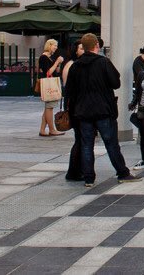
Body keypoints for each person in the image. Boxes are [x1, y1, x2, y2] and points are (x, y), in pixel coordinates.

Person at [66, 33, 140, 188]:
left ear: (83, 47)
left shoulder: (76, 66)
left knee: (87, 144)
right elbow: (115, 83)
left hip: (82, 111)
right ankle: (122, 173)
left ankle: (89, 178)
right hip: (103, 110)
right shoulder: (103, 63)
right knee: (111, 143)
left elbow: (70, 91)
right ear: (96, 46)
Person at [62, 40, 85, 181]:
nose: (83, 50)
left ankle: (76, 169)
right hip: (75, 105)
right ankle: (74, 171)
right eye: (81, 48)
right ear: (75, 50)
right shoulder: (72, 65)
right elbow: (70, 87)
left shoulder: (74, 65)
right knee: (80, 139)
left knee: (80, 139)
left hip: (74, 104)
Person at [38, 39, 65, 137]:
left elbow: (55, 71)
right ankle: (52, 129)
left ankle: (42, 129)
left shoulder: (50, 57)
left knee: (47, 108)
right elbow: (48, 73)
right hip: (48, 85)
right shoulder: (44, 57)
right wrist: (57, 62)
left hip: (51, 84)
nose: (56, 47)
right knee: (49, 107)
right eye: (55, 45)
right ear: (49, 45)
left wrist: (58, 63)